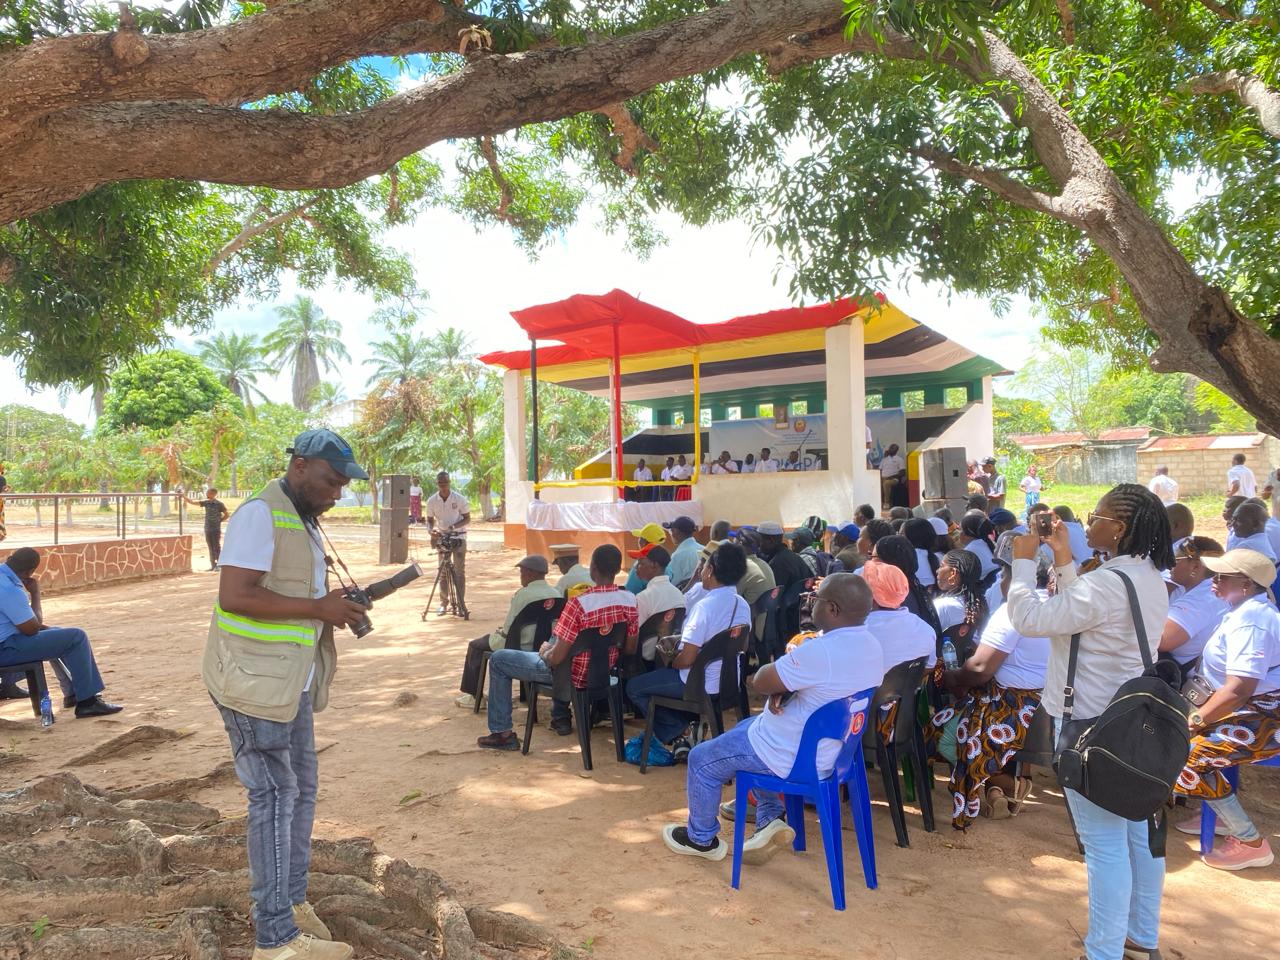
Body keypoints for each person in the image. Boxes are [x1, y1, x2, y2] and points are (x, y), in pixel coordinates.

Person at [204, 429, 371, 960]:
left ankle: (290, 902)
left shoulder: (303, 518)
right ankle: (274, 940)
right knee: (275, 796)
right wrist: (318, 609)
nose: (337, 493)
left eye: (343, 485)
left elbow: (296, 592)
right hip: (253, 685)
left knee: (299, 791)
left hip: (287, 682)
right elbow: (235, 596)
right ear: (300, 466)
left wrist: (332, 604)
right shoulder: (260, 513)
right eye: (331, 481)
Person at [1008, 483, 1173, 960]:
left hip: (1088, 726)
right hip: (1131, 722)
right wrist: (1062, 559)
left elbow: (1030, 619)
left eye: (1095, 515)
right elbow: (1083, 611)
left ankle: (1103, 952)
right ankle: (1142, 940)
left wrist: (1023, 562)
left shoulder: (1106, 583)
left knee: (1104, 847)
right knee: (1139, 835)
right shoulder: (1145, 577)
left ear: (1118, 528)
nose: (1088, 521)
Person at [661, 573, 885, 861]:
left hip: (790, 755)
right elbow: (827, 687)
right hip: (834, 752)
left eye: (814, 600)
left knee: (701, 760)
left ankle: (701, 839)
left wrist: (779, 685)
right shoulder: (871, 645)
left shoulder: (819, 651)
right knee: (745, 728)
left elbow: (761, 680)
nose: (809, 605)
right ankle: (769, 820)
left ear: (833, 610)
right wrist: (785, 689)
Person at [1173, 548, 1280, 871]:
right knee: (1172, 740)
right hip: (1247, 709)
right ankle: (1220, 812)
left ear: (1246, 585)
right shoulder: (1242, 610)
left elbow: (1239, 690)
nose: (1213, 582)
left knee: (1185, 755)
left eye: (1222, 577)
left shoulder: (1253, 622)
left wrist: (1196, 719)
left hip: (1263, 716)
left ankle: (1249, 840)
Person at [930, 553, 1050, 828]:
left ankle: (1009, 783)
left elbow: (980, 668)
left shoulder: (1014, 611)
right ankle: (999, 788)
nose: (1001, 582)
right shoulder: (1062, 606)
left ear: (1019, 578)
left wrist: (949, 679)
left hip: (1013, 708)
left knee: (940, 733)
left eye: (1005, 576)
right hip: (1050, 706)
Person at [478, 545, 638, 749]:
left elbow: (556, 659)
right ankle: (558, 716)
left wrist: (545, 651)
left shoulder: (578, 604)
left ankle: (502, 733)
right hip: (605, 674)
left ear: (593, 569)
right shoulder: (629, 600)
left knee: (499, 659)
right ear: (617, 570)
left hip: (569, 675)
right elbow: (630, 648)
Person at [628, 543, 751, 758]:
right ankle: (687, 728)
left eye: (704, 565)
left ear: (710, 570)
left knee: (635, 687)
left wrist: (671, 660)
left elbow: (687, 659)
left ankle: (681, 732)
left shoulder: (704, 607)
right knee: (662, 680)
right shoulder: (742, 604)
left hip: (698, 684)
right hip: (730, 682)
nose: (701, 570)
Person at [0, 547, 123, 718]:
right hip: (6, 649)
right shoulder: (8, 588)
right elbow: (32, 628)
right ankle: (87, 702)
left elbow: (11, 621)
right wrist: (35, 594)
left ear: (10, 558)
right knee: (76, 637)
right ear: (30, 572)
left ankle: (72, 694)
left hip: (7, 642)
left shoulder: (3, 577)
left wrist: (44, 629)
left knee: (57, 633)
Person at [455, 555, 560, 709]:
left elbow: (509, 630)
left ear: (530, 573)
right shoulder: (556, 593)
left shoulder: (522, 594)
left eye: (522, 572)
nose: (521, 576)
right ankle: (525, 696)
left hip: (520, 645)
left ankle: (473, 696)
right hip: (545, 646)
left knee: (476, 646)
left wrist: (499, 633)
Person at [1157, 537, 1228, 680]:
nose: (1170, 564)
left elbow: (1162, 640)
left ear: (1195, 567)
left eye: (1176, 559)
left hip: (1192, 682)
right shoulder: (1204, 589)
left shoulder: (1203, 597)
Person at [862, 557, 936, 669]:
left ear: (868, 593)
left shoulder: (859, 629)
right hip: (912, 686)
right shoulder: (925, 628)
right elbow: (929, 667)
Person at [873, 534, 943, 647]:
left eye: (874, 558)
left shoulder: (895, 597)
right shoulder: (916, 588)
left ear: (889, 562)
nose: (870, 563)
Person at [426, 471, 470, 612]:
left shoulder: (459, 499)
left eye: (445, 483)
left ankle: (461, 604)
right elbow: (429, 520)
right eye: (440, 484)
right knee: (443, 571)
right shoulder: (432, 501)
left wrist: (453, 527)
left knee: (459, 572)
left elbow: (467, 518)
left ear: (449, 483)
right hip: (442, 538)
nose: (443, 487)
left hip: (458, 537)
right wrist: (430, 530)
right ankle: (443, 604)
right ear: (437, 484)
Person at [933, 548, 991, 653]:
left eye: (941, 566)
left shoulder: (942, 606)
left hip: (939, 667)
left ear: (953, 573)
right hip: (965, 664)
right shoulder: (980, 604)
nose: (937, 571)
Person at [634, 546, 685, 661]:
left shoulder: (643, 597)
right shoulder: (679, 594)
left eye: (641, 563)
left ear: (654, 565)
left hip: (645, 659)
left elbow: (633, 634)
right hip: (670, 653)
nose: (636, 568)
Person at [182, 486, 230, 571]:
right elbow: (192, 502)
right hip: (208, 528)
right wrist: (183, 496)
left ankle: (219, 565)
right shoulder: (206, 502)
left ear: (213, 494)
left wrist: (219, 521)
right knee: (210, 546)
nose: (206, 493)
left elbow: (227, 514)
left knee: (216, 546)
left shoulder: (219, 504)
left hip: (215, 528)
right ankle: (213, 565)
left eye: (208, 492)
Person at [757, 521, 811, 593]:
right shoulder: (792, 556)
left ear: (771, 540)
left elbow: (773, 597)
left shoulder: (778, 563)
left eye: (760, 541)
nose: (758, 545)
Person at [733, 530, 777, 605]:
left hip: (751, 615)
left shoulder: (742, 567)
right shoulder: (764, 564)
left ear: (740, 544)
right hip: (767, 615)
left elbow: (731, 596)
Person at [624, 522, 667, 593]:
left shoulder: (641, 565)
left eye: (640, 538)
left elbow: (630, 591)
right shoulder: (666, 562)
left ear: (643, 542)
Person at [663, 516, 703, 589]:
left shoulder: (678, 555)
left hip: (684, 595)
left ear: (677, 532)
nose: (671, 534)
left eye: (672, 531)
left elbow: (671, 582)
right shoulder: (703, 549)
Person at [958, 512, 999, 581]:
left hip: (985, 588)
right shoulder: (986, 543)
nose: (959, 533)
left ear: (966, 533)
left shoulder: (970, 550)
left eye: (961, 530)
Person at [879, 443, 907, 509]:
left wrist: (890, 477)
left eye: (893, 449)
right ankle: (880, 503)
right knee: (878, 484)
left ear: (896, 450)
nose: (891, 450)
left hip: (894, 479)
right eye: (891, 448)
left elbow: (903, 473)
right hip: (883, 478)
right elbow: (880, 470)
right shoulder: (884, 459)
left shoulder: (899, 459)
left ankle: (887, 503)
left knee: (886, 483)